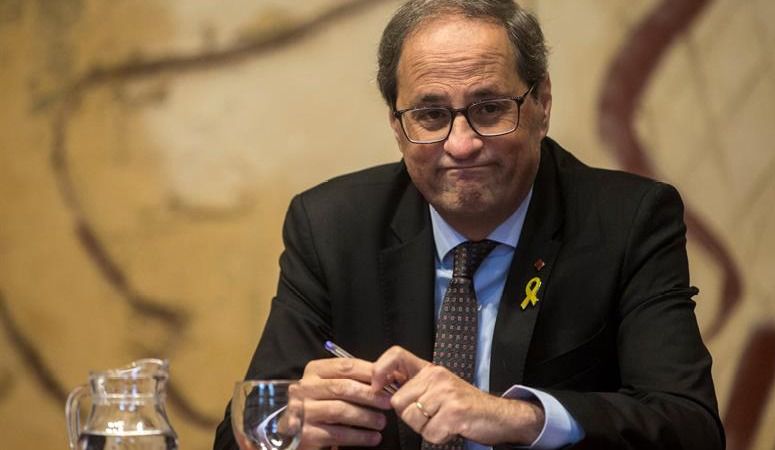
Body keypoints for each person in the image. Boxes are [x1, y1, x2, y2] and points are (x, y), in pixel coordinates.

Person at [214, 1, 725, 449]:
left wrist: (517, 417)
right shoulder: (332, 228)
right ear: (397, 125)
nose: (461, 144)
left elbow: (690, 428)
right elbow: (240, 434)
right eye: (431, 115)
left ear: (542, 103)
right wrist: (287, 428)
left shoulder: (628, 221)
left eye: (489, 108)